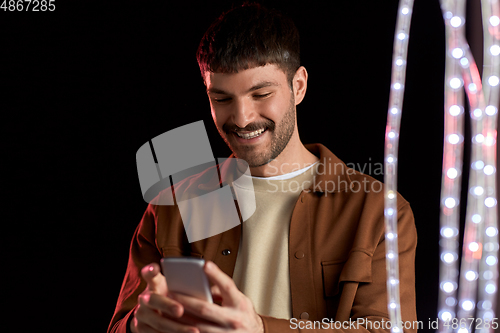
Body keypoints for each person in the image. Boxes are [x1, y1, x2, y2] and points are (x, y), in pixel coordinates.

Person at [108, 3, 417, 333]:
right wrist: (139, 326)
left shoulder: (379, 210)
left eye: (261, 93)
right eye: (222, 99)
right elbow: (122, 325)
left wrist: (260, 329)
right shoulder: (170, 205)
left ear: (298, 86)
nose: (241, 118)